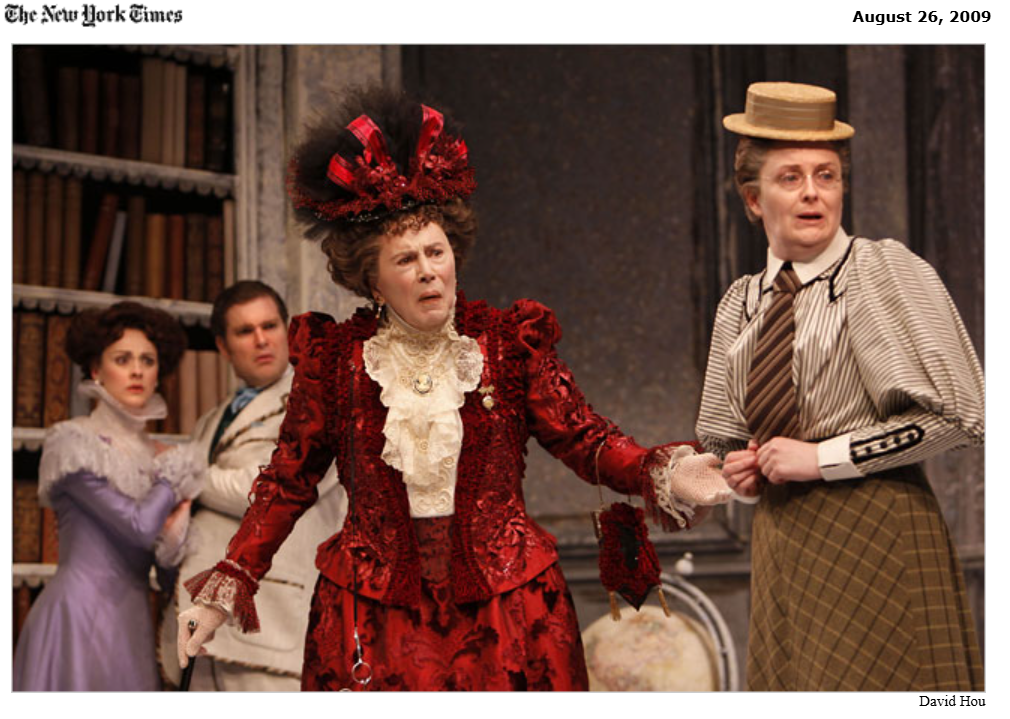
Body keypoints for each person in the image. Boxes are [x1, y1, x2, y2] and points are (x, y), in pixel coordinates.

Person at [175, 85, 733, 691]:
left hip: (509, 610)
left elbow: (584, 437)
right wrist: (228, 585)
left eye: (436, 251)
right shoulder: (335, 361)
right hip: (375, 617)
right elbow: (287, 482)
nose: (428, 270)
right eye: (405, 259)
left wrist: (660, 470)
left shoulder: (504, 345)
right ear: (372, 280)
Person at [696, 81, 984, 691]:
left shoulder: (880, 270)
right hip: (783, 547)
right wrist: (742, 476)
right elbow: (723, 443)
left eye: (826, 176)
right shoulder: (739, 304)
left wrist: (822, 458)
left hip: (878, 532)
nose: (811, 193)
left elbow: (960, 415)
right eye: (790, 177)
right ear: (753, 199)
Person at [158, 281, 345, 691]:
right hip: (204, 622)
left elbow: (262, 490)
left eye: (270, 325)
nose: (261, 339)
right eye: (245, 331)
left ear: (288, 330)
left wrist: (175, 468)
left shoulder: (320, 401)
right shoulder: (212, 418)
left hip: (272, 616)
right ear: (223, 348)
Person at [13, 301, 202, 691]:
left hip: (133, 620)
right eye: (123, 358)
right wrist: (170, 481)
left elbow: (168, 577)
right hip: (78, 617)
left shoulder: (162, 454)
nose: (136, 370)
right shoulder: (74, 441)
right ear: (97, 371)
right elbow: (137, 528)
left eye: (147, 361)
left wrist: (175, 537)